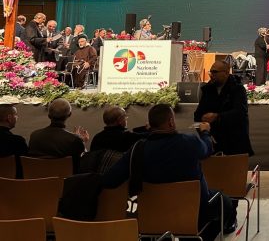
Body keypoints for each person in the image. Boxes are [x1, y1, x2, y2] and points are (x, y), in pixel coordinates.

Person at [103, 104, 236, 240]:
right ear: (171, 122)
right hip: (194, 212)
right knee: (224, 202)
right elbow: (207, 148)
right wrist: (205, 133)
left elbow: (110, 180)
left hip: (151, 216)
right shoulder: (189, 142)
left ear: (150, 124)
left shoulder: (137, 150)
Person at [194, 61, 254, 156]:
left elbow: (240, 113)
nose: (211, 75)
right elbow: (198, 114)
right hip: (213, 142)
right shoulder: (207, 89)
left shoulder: (238, 89)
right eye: (211, 72)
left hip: (234, 143)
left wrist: (217, 116)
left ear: (226, 73)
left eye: (215, 72)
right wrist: (203, 124)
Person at [28, 98, 89, 172]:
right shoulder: (74, 140)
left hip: (36, 178)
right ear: (69, 114)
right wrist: (82, 142)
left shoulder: (34, 136)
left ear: (49, 115)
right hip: (64, 179)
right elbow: (83, 163)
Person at [0, 104, 28, 178]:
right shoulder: (17, 141)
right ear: (9, 118)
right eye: (15, 115)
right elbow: (26, 165)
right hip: (13, 183)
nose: (17, 117)